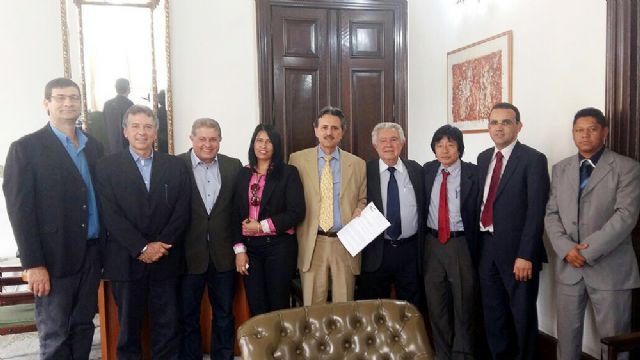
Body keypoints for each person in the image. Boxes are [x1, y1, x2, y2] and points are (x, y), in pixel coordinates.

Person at [3, 77, 104, 359]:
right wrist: (33, 264)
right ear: (46, 104)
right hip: (52, 258)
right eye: (60, 97)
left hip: (91, 253)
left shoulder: (94, 147)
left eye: (73, 97)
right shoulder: (26, 148)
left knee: (84, 327)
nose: (68, 102)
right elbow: (20, 212)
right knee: (55, 332)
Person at [94, 104, 190, 359]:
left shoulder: (175, 165)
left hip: (166, 260)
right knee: (128, 330)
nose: (142, 132)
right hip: (125, 261)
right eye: (135, 126)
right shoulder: (106, 167)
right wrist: (142, 248)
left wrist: (160, 246)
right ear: (125, 131)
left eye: (148, 127)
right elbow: (110, 215)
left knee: (167, 328)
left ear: (156, 132)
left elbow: (182, 211)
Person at [545, 108, 640, 360]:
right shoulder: (560, 169)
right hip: (569, 268)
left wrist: (586, 251)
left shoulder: (626, 167)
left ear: (605, 132)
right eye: (579, 130)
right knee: (566, 341)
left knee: (615, 344)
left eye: (592, 129)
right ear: (573, 133)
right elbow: (551, 214)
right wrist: (567, 249)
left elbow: (626, 216)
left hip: (611, 270)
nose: (585, 135)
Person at [477, 102, 549, 360]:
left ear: (519, 126)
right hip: (486, 249)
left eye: (506, 122)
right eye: (494, 122)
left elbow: (536, 211)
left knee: (522, 317)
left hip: (518, 254)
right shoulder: (484, 157)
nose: (499, 128)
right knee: (494, 316)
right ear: (488, 127)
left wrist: (526, 255)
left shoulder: (533, 159)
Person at [177, 118, 242, 360]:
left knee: (224, 314)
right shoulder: (176, 165)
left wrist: (239, 249)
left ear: (220, 141)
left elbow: (238, 210)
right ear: (191, 139)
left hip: (223, 255)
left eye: (213, 139)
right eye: (202, 139)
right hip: (188, 255)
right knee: (188, 316)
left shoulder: (233, 166)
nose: (208, 144)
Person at [289, 106, 366, 305]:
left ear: (342, 132)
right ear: (316, 130)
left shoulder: (357, 164)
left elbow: (362, 199)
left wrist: (359, 209)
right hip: (313, 242)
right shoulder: (297, 160)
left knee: (344, 307)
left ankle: (342, 338)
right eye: (324, 127)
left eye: (334, 128)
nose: (329, 132)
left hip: (345, 242)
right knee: (313, 308)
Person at [232, 124, 305, 316]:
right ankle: (261, 347)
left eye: (269, 141)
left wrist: (261, 226)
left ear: (276, 145)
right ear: (253, 143)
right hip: (250, 250)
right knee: (256, 306)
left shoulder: (288, 172)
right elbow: (234, 213)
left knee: (278, 306)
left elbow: (296, 212)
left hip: (279, 248)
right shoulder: (242, 173)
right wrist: (239, 250)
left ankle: (280, 347)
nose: (263, 145)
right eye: (259, 140)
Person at [423, 125, 479, 360]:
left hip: (461, 243)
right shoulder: (427, 171)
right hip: (432, 244)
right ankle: (442, 354)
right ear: (434, 149)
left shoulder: (473, 173)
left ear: (459, 148)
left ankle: (462, 355)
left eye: (450, 144)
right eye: (439, 145)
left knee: (464, 304)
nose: (444, 150)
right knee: (436, 305)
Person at [358, 122, 424, 306]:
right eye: (383, 141)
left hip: (410, 251)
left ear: (402, 142)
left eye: (394, 139)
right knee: (374, 308)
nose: (388, 145)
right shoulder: (364, 170)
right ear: (375, 145)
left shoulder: (416, 170)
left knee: (411, 308)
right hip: (377, 251)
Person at [103, 78, 133, 154]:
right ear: (128, 88)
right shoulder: (130, 105)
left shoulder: (107, 104)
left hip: (110, 143)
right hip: (126, 144)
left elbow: (105, 123)